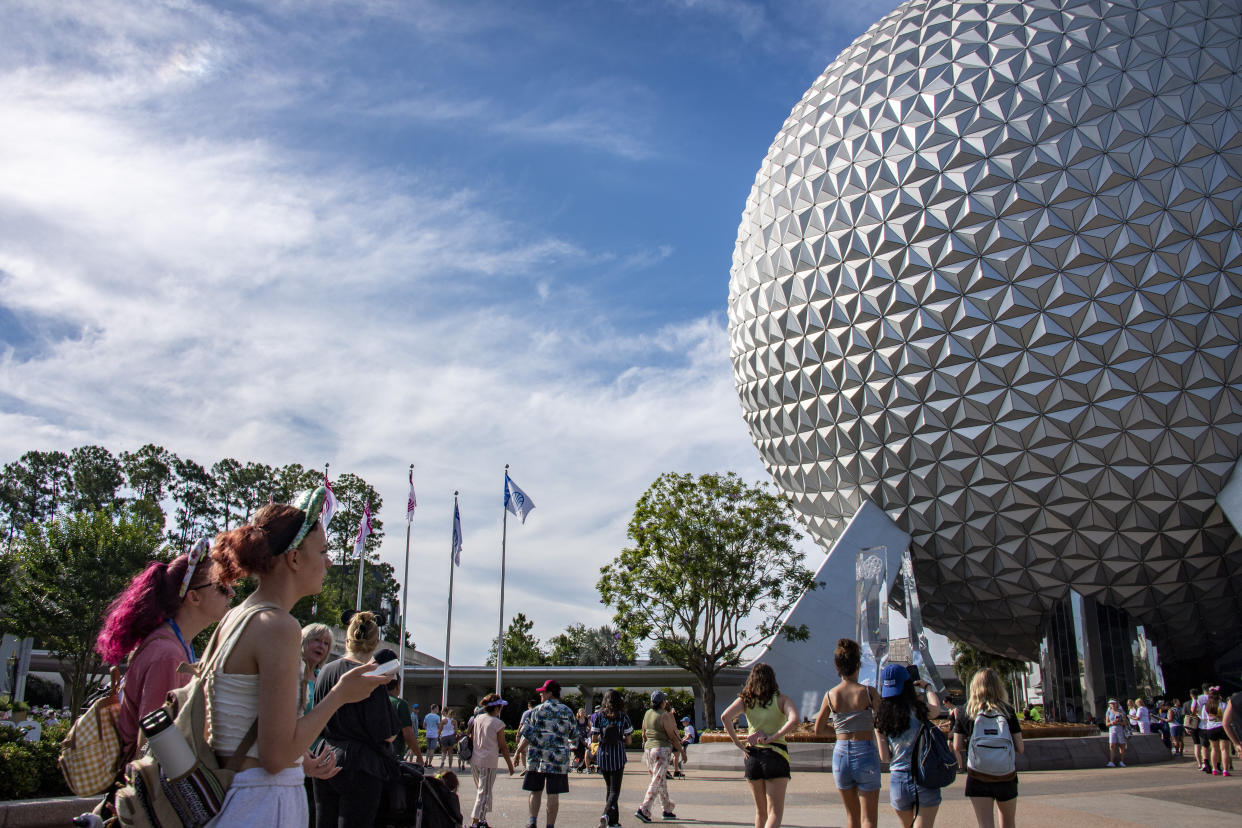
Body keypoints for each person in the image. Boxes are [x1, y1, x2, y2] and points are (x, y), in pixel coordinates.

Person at [203, 488, 388, 826]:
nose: (329, 561)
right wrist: (340, 696)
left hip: (232, 794)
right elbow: (275, 757)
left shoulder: (236, 617)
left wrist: (301, 758)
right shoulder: (279, 627)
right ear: (294, 559)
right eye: (323, 551)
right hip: (261, 801)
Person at [96, 539, 235, 761]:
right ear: (194, 596)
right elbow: (153, 743)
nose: (231, 594)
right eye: (221, 586)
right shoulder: (167, 654)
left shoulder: (173, 646)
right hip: (156, 789)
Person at [313, 614, 401, 827]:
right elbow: (387, 734)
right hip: (361, 764)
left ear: (347, 639)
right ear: (376, 642)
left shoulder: (325, 671)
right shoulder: (370, 679)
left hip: (325, 756)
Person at [722, 663, 799, 828]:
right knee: (775, 813)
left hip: (753, 757)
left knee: (760, 813)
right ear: (773, 680)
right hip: (776, 755)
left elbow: (725, 717)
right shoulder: (781, 699)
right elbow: (794, 720)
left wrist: (739, 744)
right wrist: (774, 737)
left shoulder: (746, 700)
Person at [814, 638, 881, 828]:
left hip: (841, 753)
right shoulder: (869, 693)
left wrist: (839, 733)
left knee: (852, 817)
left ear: (837, 666)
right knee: (868, 819)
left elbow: (818, 730)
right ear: (858, 664)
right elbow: (885, 721)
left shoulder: (830, 695)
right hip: (865, 752)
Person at [952, 668, 1024, 828]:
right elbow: (1020, 747)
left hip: (978, 775)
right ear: (998, 686)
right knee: (1008, 823)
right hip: (1006, 776)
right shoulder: (1007, 711)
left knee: (985, 824)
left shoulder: (966, 711)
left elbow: (957, 746)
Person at [875, 663, 943, 828]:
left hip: (898, 781)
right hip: (923, 777)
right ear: (907, 685)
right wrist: (927, 687)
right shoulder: (919, 710)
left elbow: (885, 757)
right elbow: (937, 709)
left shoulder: (880, 718)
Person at [520, 679, 577, 828]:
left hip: (537, 758)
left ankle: (532, 821)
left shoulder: (536, 710)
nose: (540, 695)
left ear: (549, 693)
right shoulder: (567, 711)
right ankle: (550, 825)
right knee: (553, 793)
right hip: (558, 760)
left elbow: (526, 733)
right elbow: (574, 735)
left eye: (543, 692)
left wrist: (519, 751)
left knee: (535, 791)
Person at [636, 690, 689, 823]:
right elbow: (671, 736)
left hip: (648, 749)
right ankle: (644, 809)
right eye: (665, 700)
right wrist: (682, 752)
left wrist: (645, 744)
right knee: (656, 780)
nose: (666, 702)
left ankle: (667, 809)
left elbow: (643, 732)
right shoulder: (664, 715)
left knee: (660, 780)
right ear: (662, 702)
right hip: (661, 749)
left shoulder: (647, 713)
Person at [468, 693, 514, 828]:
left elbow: (472, 737)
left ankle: (481, 820)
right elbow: (503, 746)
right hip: (488, 762)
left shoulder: (478, 719)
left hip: (475, 760)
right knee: (484, 793)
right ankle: (475, 823)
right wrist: (510, 766)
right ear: (496, 708)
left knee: (481, 791)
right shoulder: (498, 723)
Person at [591, 689, 634, 828]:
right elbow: (629, 741)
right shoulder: (623, 717)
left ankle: (613, 821)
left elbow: (594, 737)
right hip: (618, 755)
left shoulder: (598, 716)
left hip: (603, 755)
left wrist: (605, 736)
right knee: (615, 791)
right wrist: (619, 737)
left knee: (609, 789)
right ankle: (605, 814)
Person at [388, 679, 424, 764]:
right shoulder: (399, 704)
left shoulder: (371, 702)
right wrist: (419, 757)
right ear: (397, 686)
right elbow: (408, 734)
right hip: (393, 756)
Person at [1201, 687, 1231, 776]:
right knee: (1224, 749)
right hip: (1222, 727)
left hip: (1211, 728)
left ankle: (1215, 769)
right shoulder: (1223, 705)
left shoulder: (1205, 706)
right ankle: (1225, 770)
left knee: (1214, 749)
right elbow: (1227, 717)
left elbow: (1204, 719)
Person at [1105, 699, 1127, 767]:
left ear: (1117, 704)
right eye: (1111, 704)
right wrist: (1111, 723)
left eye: (1113, 703)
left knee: (1121, 745)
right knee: (1112, 745)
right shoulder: (1109, 712)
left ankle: (1122, 761)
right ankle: (1111, 761)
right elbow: (1107, 723)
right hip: (1112, 729)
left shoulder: (1121, 712)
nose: (1112, 705)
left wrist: (1118, 722)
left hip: (1119, 729)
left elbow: (1125, 722)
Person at [572, 708, 590, 772]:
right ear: (579, 713)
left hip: (584, 737)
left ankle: (583, 765)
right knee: (578, 753)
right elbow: (573, 728)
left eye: (584, 712)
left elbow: (589, 727)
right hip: (578, 737)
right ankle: (576, 764)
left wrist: (588, 731)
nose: (583, 713)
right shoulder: (576, 720)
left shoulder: (586, 719)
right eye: (581, 712)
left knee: (584, 751)